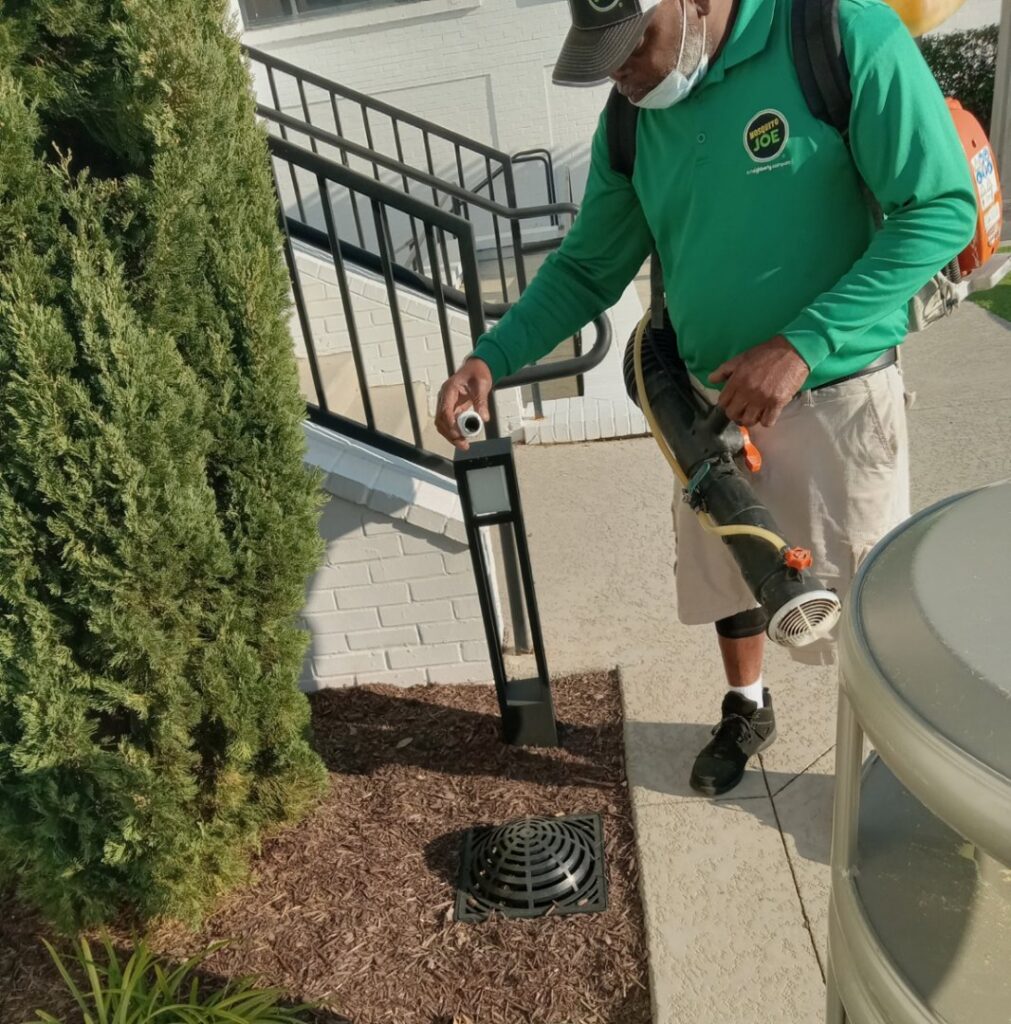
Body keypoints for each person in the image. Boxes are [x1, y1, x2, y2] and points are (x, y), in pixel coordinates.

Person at [434, 0, 976, 794]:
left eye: (634, 45)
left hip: (835, 399)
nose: (621, 73)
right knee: (731, 568)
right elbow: (586, 269)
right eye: (605, 56)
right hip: (703, 403)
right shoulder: (631, 120)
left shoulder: (835, 35)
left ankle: (887, 763)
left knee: (864, 609)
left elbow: (938, 209)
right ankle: (746, 706)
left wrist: (800, 345)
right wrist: (491, 358)